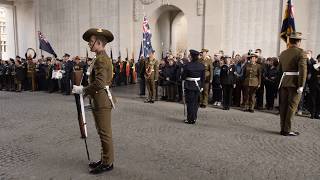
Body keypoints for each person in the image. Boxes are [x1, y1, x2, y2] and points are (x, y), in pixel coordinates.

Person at [72, 28, 115, 174]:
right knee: (101, 131)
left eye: (91, 42)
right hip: (99, 99)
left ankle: (108, 163)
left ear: (99, 43)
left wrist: (83, 90)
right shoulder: (99, 57)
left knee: (104, 133)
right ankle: (104, 159)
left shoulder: (101, 59)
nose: (89, 45)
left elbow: (100, 82)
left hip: (102, 100)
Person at [278, 32, 307, 136]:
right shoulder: (301, 52)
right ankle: (287, 129)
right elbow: (303, 70)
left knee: (283, 106)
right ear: (298, 42)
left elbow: (279, 70)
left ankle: (283, 128)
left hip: (284, 81)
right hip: (295, 83)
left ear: (290, 41)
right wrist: (301, 85)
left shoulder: (283, 53)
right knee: (292, 107)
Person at [182, 49, 205, 124]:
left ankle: (190, 119)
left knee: (190, 103)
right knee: (195, 103)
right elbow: (203, 77)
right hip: (198, 86)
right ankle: (194, 118)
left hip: (189, 86)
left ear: (191, 56)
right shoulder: (201, 65)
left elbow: (183, 76)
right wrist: (202, 86)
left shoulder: (187, 65)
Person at [309, 54, 320, 119]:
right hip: (314, 84)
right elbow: (314, 68)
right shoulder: (314, 65)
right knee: (313, 99)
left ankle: (317, 113)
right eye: (319, 58)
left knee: (319, 100)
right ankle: (312, 113)